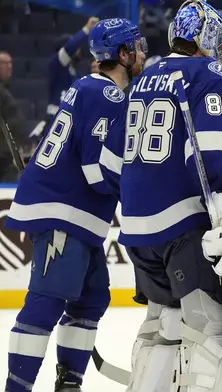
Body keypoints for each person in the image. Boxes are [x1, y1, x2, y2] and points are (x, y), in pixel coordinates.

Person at [101, 1, 222, 390]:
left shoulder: (144, 77)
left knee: (162, 324)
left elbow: (111, 159)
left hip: (136, 227)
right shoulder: (210, 73)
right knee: (208, 328)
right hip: (184, 226)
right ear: (210, 38)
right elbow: (215, 156)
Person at [3, 18, 145, 392]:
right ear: (123, 54)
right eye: (137, 46)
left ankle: (69, 382)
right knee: (46, 302)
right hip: (65, 213)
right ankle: (17, 387)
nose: (143, 53)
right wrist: (137, 187)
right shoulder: (108, 95)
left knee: (92, 298)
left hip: (74, 215)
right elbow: (98, 170)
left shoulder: (87, 88)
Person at [30, 17, 100, 142]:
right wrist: (87, 28)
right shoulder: (56, 64)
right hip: (55, 120)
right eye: (76, 49)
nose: (79, 51)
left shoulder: (75, 72)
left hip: (74, 122)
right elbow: (70, 48)